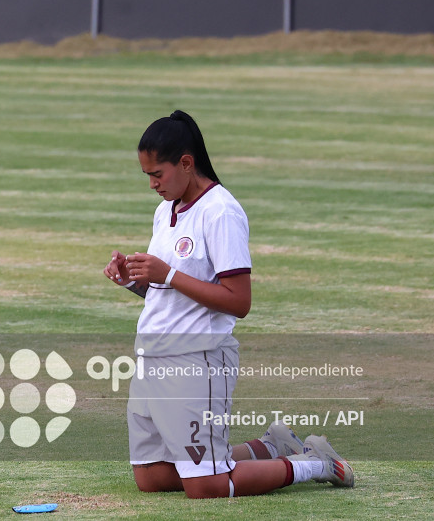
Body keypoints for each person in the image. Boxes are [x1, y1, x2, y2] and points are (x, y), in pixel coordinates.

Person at [103, 110, 353, 499]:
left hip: (196, 359)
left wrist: (167, 273)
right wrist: (134, 280)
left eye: (157, 174)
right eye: (147, 175)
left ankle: (316, 463)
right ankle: (269, 447)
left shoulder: (220, 211)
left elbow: (239, 301)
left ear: (187, 163)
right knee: (152, 477)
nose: (152, 184)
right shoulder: (165, 210)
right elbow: (171, 294)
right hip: (152, 358)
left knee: (206, 486)